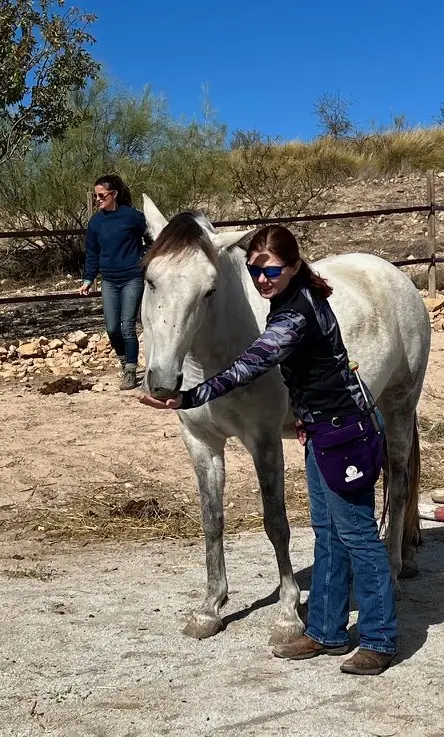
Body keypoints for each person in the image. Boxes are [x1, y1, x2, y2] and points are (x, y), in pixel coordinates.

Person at [138, 225, 397, 676]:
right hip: (319, 430)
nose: (262, 279)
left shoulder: (296, 312)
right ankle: (327, 631)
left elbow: (254, 362)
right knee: (327, 533)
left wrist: (191, 398)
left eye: (271, 270)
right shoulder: (286, 300)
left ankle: (379, 638)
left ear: (295, 266)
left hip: (345, 432)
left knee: (356, 533)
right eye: (256, 270)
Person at [79, 175, 149, 390]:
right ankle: (123, 360)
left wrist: (146, 258)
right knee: (112, 328)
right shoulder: (96, 222)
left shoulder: (132, 216)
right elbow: (92, 252)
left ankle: (130, 369)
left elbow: (151, 237)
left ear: (114, 194)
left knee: (127, 326)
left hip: (131, 278)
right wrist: (88, 278)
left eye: (102, 195)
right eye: (96, 195)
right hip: (109, 280)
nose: (98, 199)